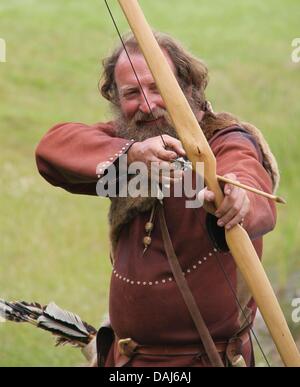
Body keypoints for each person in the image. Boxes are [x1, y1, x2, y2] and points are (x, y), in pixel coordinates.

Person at [35, 32, 278, 367]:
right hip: (127, 362)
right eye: (132, 93)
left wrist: (240, 199)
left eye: (157, 87)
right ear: (116, 100)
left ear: (187, 87)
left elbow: (246, 175)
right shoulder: (129, 146)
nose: (147, 105)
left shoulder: (224, 139)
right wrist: (132, 155)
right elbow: (52, 149)